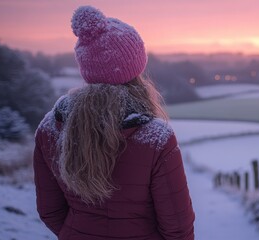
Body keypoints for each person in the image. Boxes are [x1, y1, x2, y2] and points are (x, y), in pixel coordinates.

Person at [33, 5, 195, 240]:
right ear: (135, 69)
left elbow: (50, 211)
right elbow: (178, 229)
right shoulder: (156, 138)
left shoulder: (51, 128)